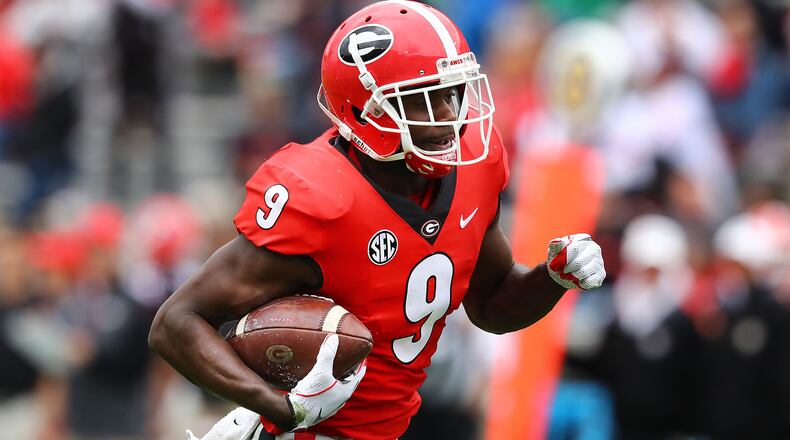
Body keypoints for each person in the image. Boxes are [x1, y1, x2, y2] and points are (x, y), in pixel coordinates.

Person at [148, 2, 606, 439]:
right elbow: (176, 322)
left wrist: (553, 278)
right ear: (368, 111)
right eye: (426, 101)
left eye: (452, 93)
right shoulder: (320, 197)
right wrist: (277, 405)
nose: (450, 116)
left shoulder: (474, 166)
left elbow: (491, 305)